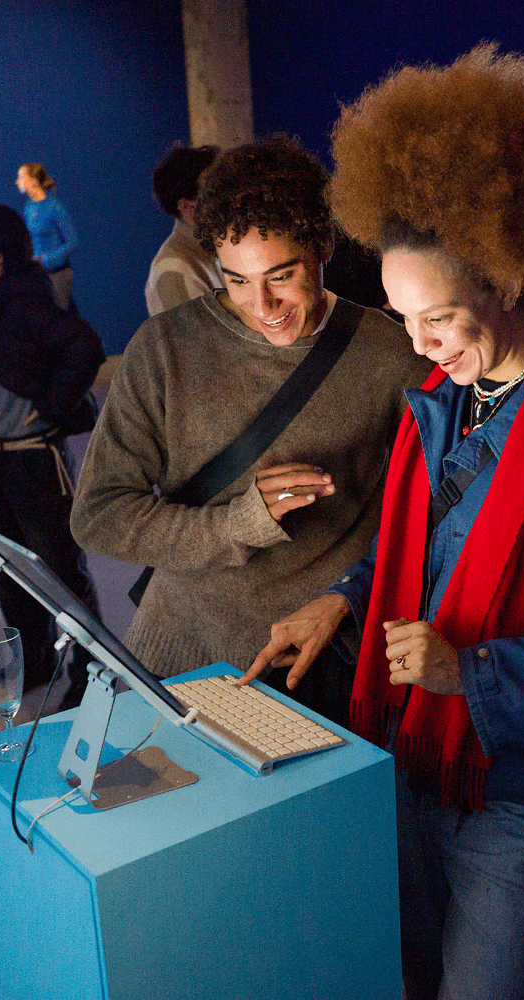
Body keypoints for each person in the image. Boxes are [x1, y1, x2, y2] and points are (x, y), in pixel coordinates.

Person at [243, 47, 524, 999]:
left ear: (509, 277)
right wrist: (344, 598)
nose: (419, 345)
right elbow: (424, 552)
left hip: (518, 787)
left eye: (440, 319)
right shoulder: (448, 396)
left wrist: (469, 671)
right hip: (412, 747)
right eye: (403, 318)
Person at [70, 137, 432, 700]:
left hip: (314, 664)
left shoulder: (391, 354)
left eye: (281, 276)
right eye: (237, 280)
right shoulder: (165, 347)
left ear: (324, 246)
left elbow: (433, 512)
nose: (263, 306)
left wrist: (348, 598)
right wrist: (239, 524)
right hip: (181, 651)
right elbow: (98, 516)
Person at [0, 203, 105, 706]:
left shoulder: (27, 304)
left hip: (35, 460)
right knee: (9, 572)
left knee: (60, 573)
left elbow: (85, 347)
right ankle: (35, 661)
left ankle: (90, 673)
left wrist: (52, 408)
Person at [145, 143, 223, 316]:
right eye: (215, 191)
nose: (228, 197)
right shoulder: (175, 271)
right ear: (188, 208)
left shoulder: (212, 252)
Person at [16, 163, 78, 313]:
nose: (17, 182)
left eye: (21, 177)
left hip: (57, 276)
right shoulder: (28, 208)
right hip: (38, 277)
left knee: (57, 318)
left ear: (33, 181)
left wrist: (48, 259)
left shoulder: (54, 207)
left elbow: (72, 242)